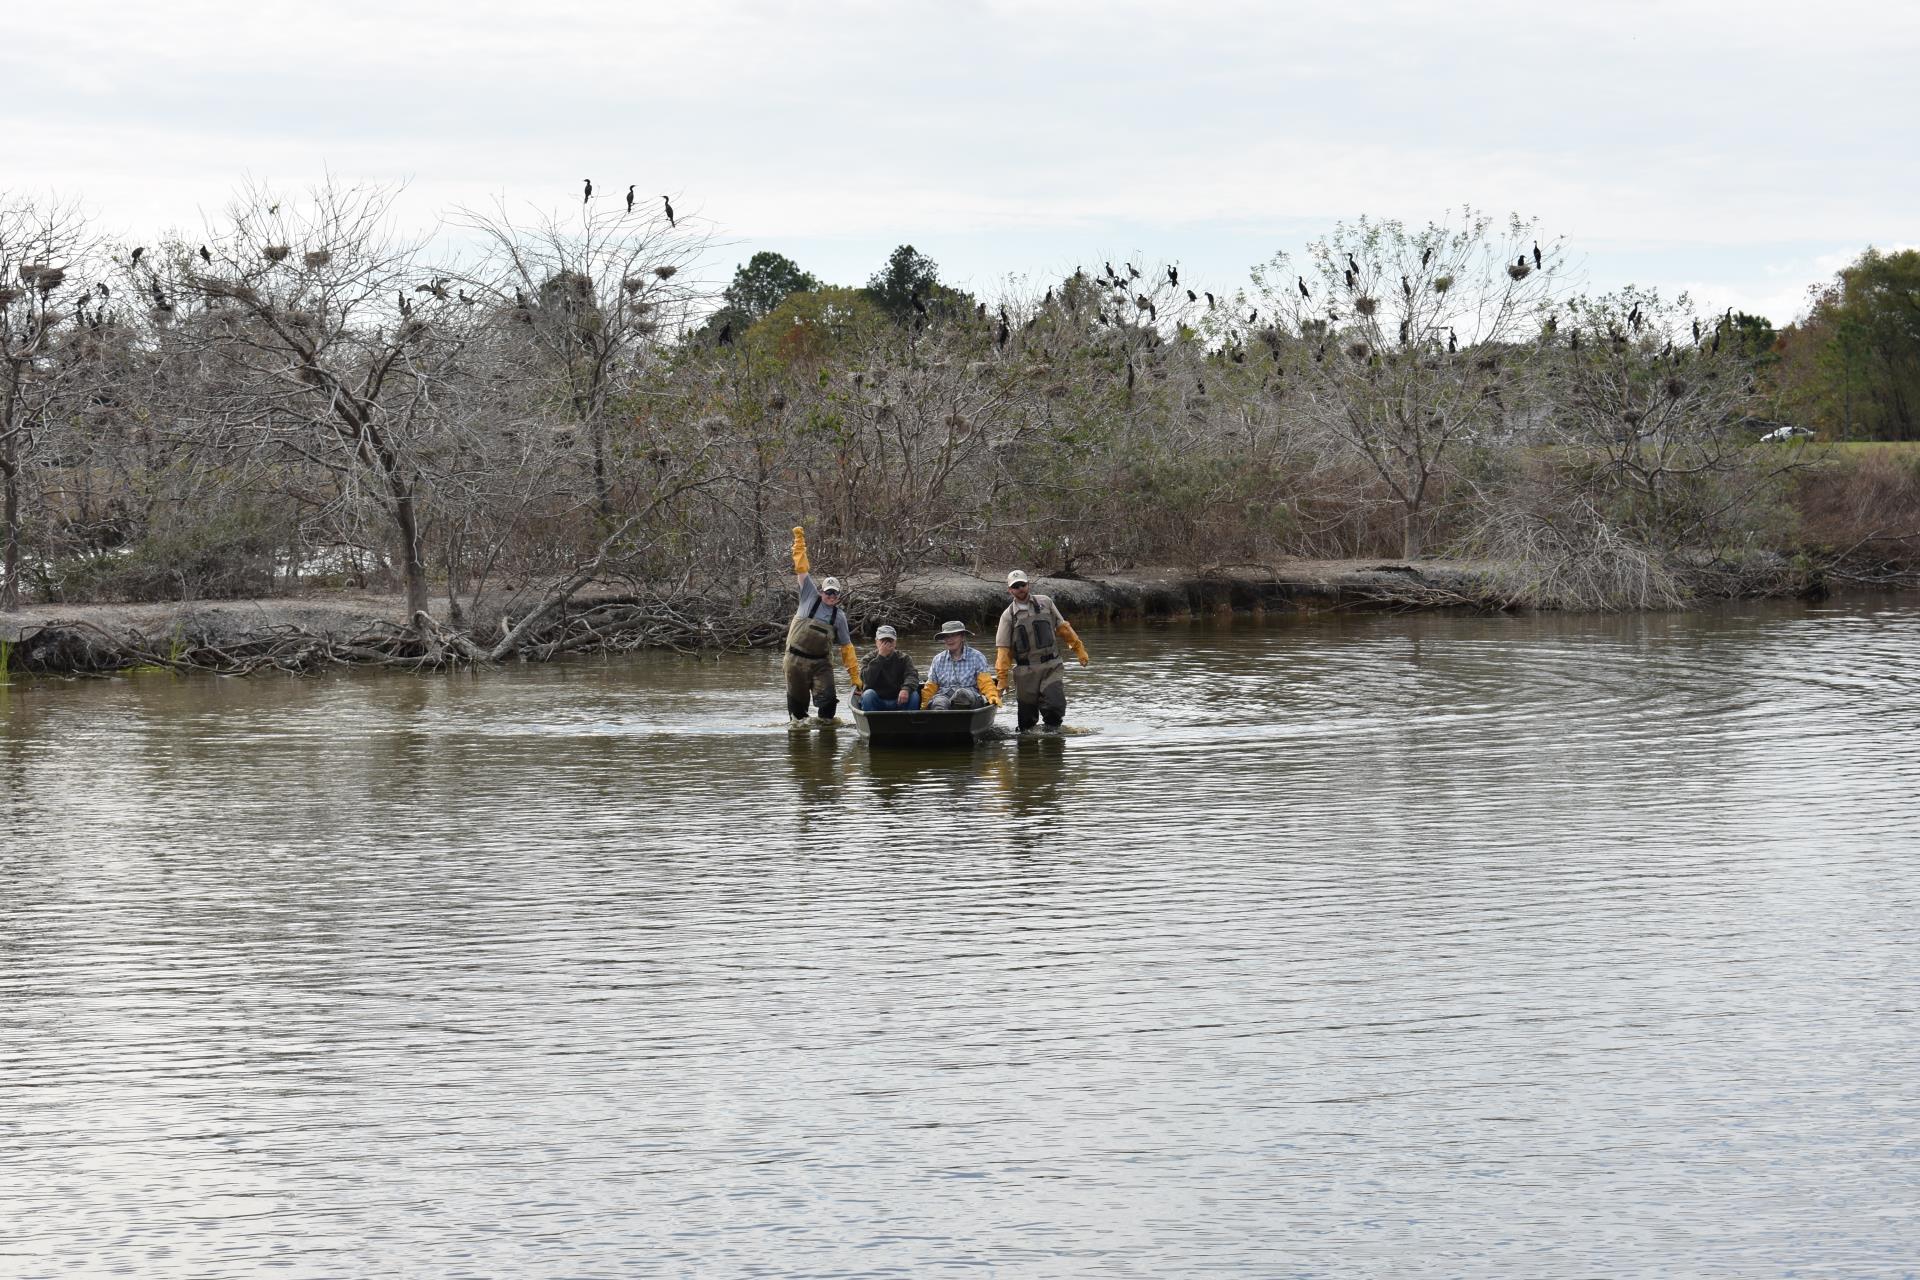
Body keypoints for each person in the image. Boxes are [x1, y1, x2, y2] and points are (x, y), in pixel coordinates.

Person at [994, 570, 1089, 730]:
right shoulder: (1007, 616)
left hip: (1051, 665)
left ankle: (1052, 737)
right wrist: (1002, 679)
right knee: (1026, 721)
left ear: (1028, 585)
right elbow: (1004, 651)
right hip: (1025, 671)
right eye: (1015, 586)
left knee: (1054, 705)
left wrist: (1079, 650)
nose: (1020, 589)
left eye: (1022, 585)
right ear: (1010, 590)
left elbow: (1063, 628)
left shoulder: (1046, 603)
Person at [784, 526, 861, 722]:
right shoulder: (809, 594)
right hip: (795, 660)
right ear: (821, 591)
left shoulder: (839, 617)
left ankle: (826, 741)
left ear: (839, 596)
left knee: (828, 707)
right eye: (828, 592)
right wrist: (799, 541)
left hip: (821, 663)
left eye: (835, 593)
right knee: (797, 711)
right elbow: (801, 568)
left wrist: (855, 678)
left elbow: (847, 648)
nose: (831, 596)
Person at [921, 620, 1002, 710]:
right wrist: (924, 707)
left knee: (961, 694)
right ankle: (941, 720)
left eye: (953, 635)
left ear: (962, 637)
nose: (949, 639)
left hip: (971, 697)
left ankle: (960, 718)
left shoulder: (977, 657)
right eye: (946, 637)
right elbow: (931, 687)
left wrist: (992, 696)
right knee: (938, 702)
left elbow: (986, 682)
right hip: (944, 696)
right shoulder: (938, 659)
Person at [858, 625, 922, 712]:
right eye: (883, 641)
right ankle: (873, 722)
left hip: (899, 700)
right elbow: (867, 680)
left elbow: (912, 676)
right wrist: (880, 657)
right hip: (877, 700)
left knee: (914, 695)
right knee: (868, 694)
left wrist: (905, 689)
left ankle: (910, 722)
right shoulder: (867, 659)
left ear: (895, 642)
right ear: (876, 642)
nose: (886, 645)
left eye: (890, 641)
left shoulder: (904, 658)